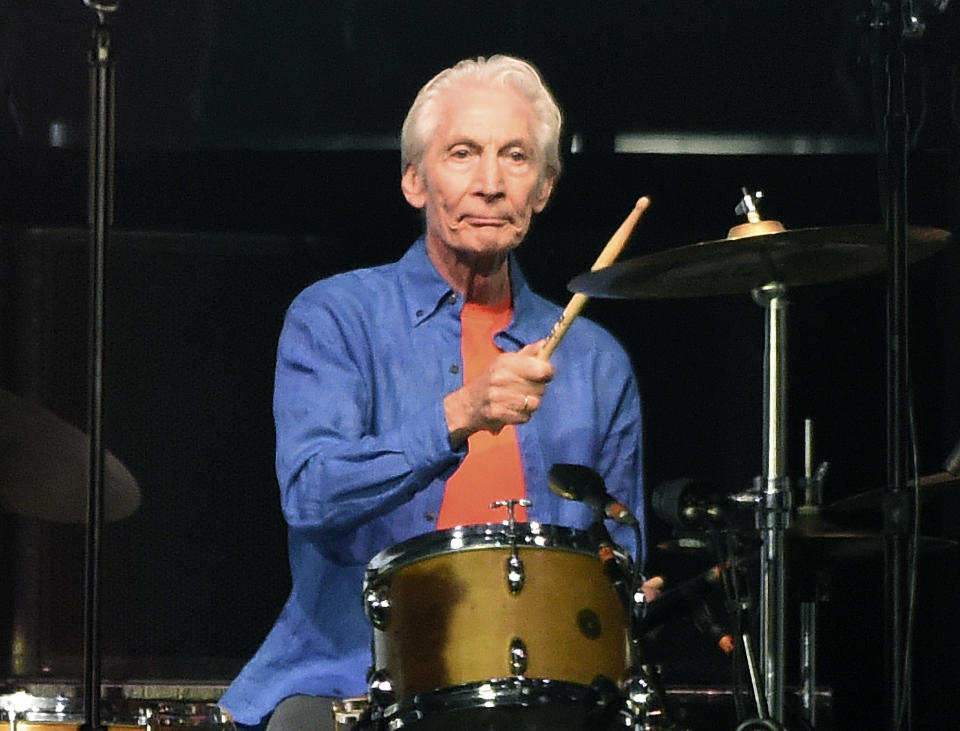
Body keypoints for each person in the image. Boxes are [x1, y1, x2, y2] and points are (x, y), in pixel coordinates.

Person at [220, 54, 646, 731]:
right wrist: (460, 413)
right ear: (415, 181)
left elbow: (619, 552)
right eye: (461, 153)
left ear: (543, 188)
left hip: (543, 691)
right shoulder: (337, 316)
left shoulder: (597, 361)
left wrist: (627, 585)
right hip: (353, 671)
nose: (489, 183)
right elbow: (311, 494)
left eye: (514, 157)